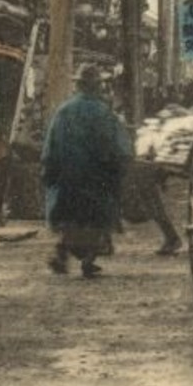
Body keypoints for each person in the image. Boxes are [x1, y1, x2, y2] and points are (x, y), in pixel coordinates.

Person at [42, 64, 133, 279]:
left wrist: (49, 169)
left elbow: (50, 145)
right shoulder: (103, 112)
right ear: (96, 87)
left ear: (79, 86)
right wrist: (121, 164)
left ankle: (62, 255)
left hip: (68, 179)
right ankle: (88, 260)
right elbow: (118, 145)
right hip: (96, 179)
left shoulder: (64, 110)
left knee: (71, 222)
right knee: (99, 220)